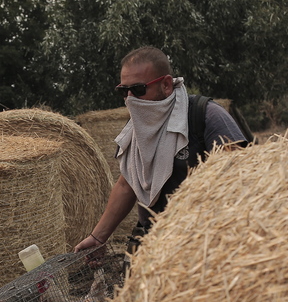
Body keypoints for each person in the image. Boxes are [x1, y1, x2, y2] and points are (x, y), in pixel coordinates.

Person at [75, 46, 247, 254]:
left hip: (203, 244)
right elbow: (127, 183)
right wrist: (97, 237)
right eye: (123, 91)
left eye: (138, 90)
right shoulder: (137, 129)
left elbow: (240, 179)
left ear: (166, 85)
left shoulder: (206, 115)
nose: (130, 98)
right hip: (154, 244)